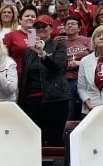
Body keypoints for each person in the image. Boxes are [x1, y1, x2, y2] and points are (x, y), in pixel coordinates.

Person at [17, 14, 69, 146]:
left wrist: (43, 54)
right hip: (32, 100)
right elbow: (24, 77)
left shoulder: (59, 46)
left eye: (43, 26)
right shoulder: (28, 52)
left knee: (54, 139)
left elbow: (59, 67)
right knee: (34, 139)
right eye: (37, 27)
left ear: (51, 29)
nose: (40, 29)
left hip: (55, 99)